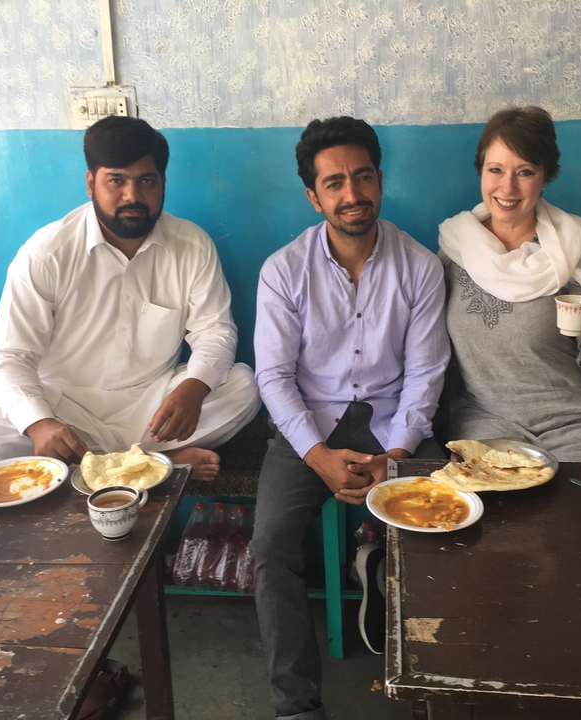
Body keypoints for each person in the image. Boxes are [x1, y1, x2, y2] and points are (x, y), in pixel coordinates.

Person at [252, 116, 450, 719]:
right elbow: (273, 378)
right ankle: (296, 706)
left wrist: (394, 454)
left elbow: (425, 376)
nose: (352, 194)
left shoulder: (419, 266)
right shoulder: (283, 270)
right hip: (308, 427)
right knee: (269, 549)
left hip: (396, 426)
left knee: (451, 529)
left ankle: (432, 690)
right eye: (334, 183)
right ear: (314, 197)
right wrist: (316, 454)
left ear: (380, 182)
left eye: (362, 177)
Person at [0, 116, 260, 480]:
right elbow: (9, 355)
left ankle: (103, 467)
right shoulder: (47, 252)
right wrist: (39, 425)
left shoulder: (191, 245)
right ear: (91, 183)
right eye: (116, 180)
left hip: (152, 406)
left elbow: (216, 332)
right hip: (66, 409)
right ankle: (160, 464)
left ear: (163, 183)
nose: (132, 196)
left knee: (244, 384)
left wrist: (193, 390)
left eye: (146, 181)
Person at [438, 106, 581, 463]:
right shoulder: (455, 248)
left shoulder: (571, 251)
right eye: (496, 170)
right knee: (494, 504)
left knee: (575, 505)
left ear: (545, 177)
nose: (507, 187)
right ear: (481, 171)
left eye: (525, 172)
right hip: (488, 422)